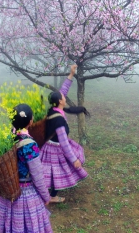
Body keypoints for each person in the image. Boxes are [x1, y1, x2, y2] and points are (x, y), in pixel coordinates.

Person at [0, 104, 52, 233]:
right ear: (30, 121)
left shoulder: (5, 140)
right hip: (26, 195)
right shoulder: (29, 145)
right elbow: (37, 175)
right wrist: (46, 197)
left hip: (8, 193)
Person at [40, 64, 89, 203]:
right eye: (63, 96)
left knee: (49, 172)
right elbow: (64, 144)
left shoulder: (54, 109)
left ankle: (47, 193)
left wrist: (71, 74)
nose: (64, 96)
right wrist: (75, 160)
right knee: (56, 172)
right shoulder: (59, 121)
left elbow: (63, 90)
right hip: (55, 149)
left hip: (48, 146)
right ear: (60, 101)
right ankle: (52, 196)